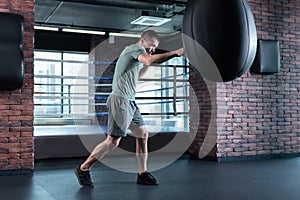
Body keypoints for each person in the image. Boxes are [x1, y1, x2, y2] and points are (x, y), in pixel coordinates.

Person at [74, 30, 184, 187]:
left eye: (155, 47)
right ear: (142, 41)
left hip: (130, 102)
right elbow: (148, 60)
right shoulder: (134, 49)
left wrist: (152, 62)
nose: (152, 49)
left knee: (143, 134)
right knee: (113, 142)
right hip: (120, 100)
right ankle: (83, 168)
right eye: (151, 46)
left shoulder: (138, 57)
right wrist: (176, 53)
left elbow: (144, 67)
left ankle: (142, 173)